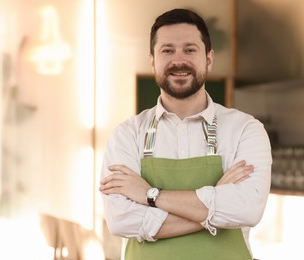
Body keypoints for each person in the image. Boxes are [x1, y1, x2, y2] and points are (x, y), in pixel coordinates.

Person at [99, 8, 272, 260]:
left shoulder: (246, 129)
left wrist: (150, 195)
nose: (178, 60)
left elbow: (247, 210)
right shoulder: (126, 135)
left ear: (209, 59)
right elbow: (120, 221)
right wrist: (215, 199)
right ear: (153, 60)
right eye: (167, 50)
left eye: (190, 50)